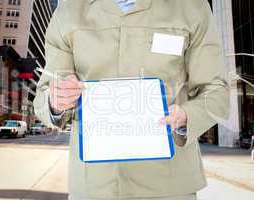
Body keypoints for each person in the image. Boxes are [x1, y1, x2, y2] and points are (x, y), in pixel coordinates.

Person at [33, 0, 230, 199]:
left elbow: (215, 91)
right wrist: (57, 102)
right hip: (94, 186)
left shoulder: (192, 7)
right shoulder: (69, 10)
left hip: (170, 186)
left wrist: (187, 116)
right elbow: (44, 94)